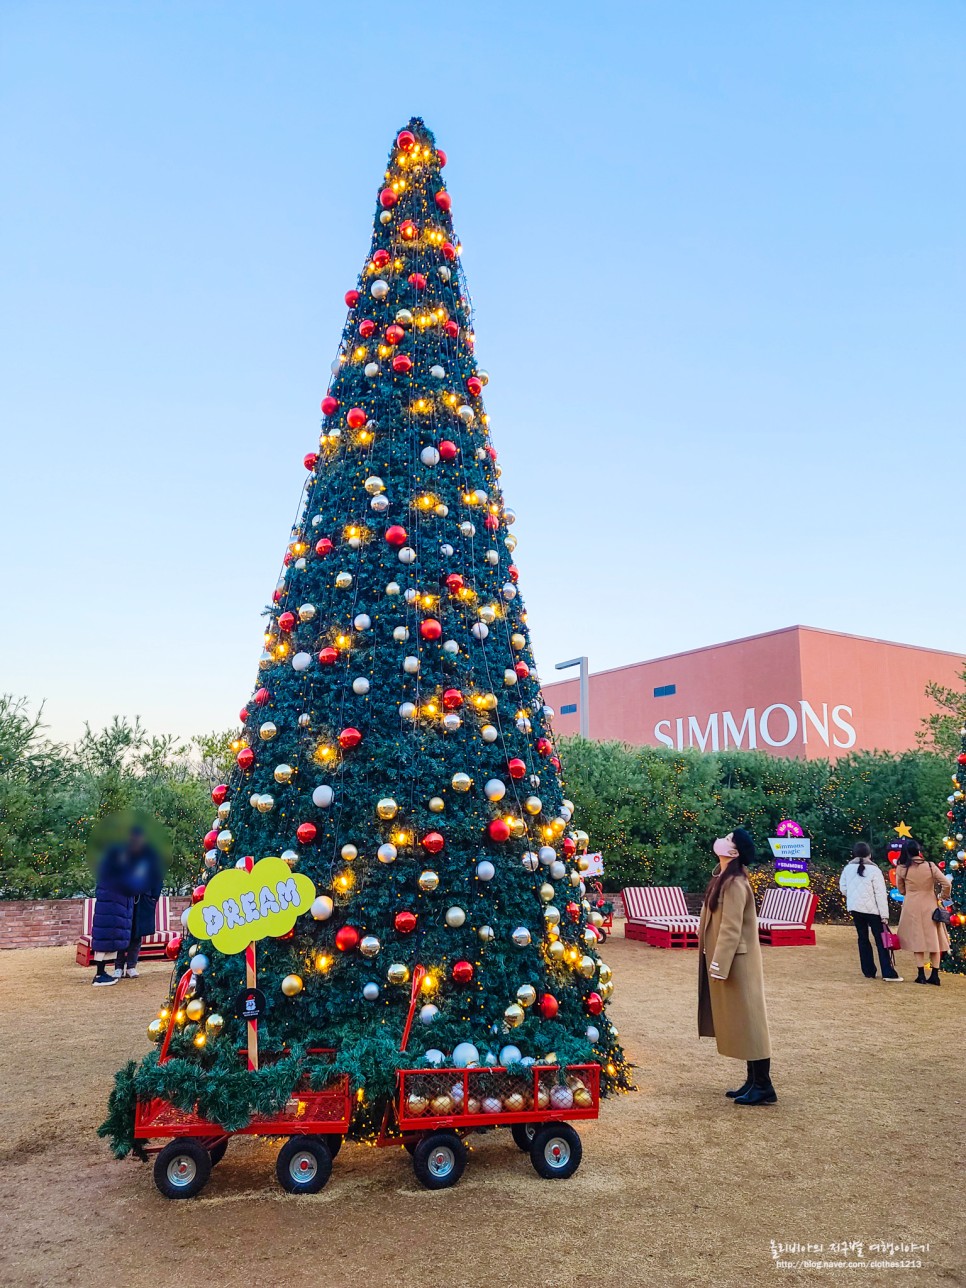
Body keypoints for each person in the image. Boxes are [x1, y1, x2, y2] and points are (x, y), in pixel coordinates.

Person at [697, 828, 775, 1106]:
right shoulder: (723, 877)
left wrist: (718, 963)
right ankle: (753, 1081)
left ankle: (764, 1085)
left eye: (729, 839)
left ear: (735, 852)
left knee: (752, 1023)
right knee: (744, 1023)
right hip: (732, 961)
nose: (722, 840)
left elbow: (731, 927)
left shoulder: (736, 883)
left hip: (738, 963)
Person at [839, 842, 902, 982]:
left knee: (863, 939)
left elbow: (843, 888)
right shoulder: (874, 870)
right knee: (881, 941)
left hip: (855, 908)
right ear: (869, 854)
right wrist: (884, 915)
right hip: (873, 910)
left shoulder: (848, 868)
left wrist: (854, 897)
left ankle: (868, 971)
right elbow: (880, 894)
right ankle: (887, 971)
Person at [897, 839, 952, 985]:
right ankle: (935, 974)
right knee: (934, 940)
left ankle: (920, 974)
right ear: (918, 851)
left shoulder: (902, 868)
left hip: (912, 905)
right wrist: (942, 896)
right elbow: (946, 883)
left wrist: (910, 892)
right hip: (930, 904)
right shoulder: (930, 866)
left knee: (917, 940)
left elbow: (901, 889)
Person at [113, 828, 163, 979]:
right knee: (123, 933)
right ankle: (118, 967)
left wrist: (154, 896)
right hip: (125, 899)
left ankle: (131, 966)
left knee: (137, 934)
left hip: (143, 899)